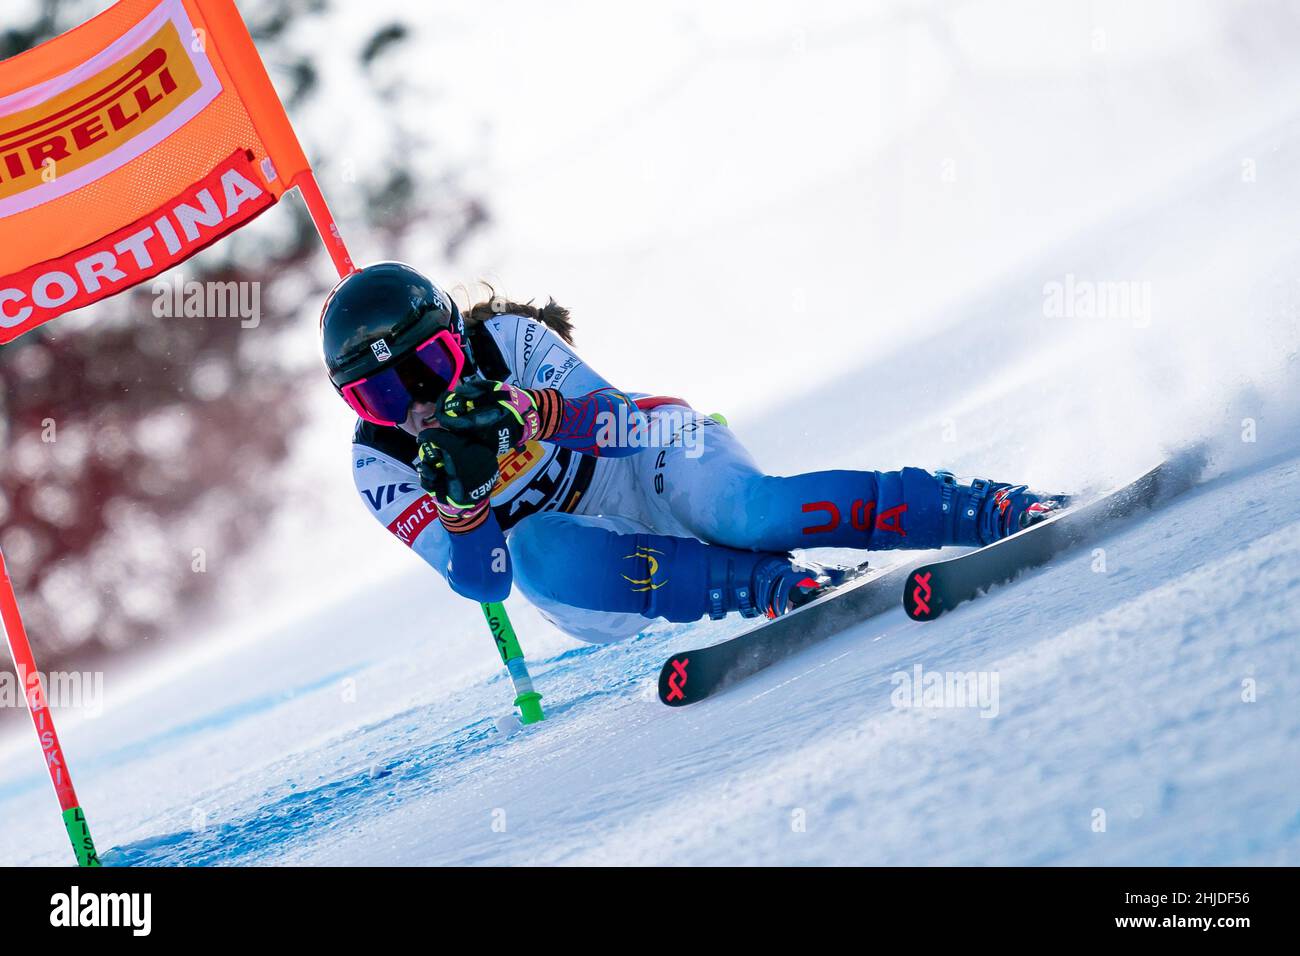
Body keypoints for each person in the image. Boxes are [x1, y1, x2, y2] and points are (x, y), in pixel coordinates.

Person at [322, 262, 1065, 643]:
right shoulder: (379, 465)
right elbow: (483, 584)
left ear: (460, 340)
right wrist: (460, 505)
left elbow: (626, 422)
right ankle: (764, 588)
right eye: (381, 398)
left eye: (430, 367)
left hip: (640, 459)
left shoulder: (506, 343)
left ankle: (979, 507)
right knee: (536, 549)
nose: (417, 404)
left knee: (750, 512)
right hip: (590, 580)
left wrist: (536, 413)